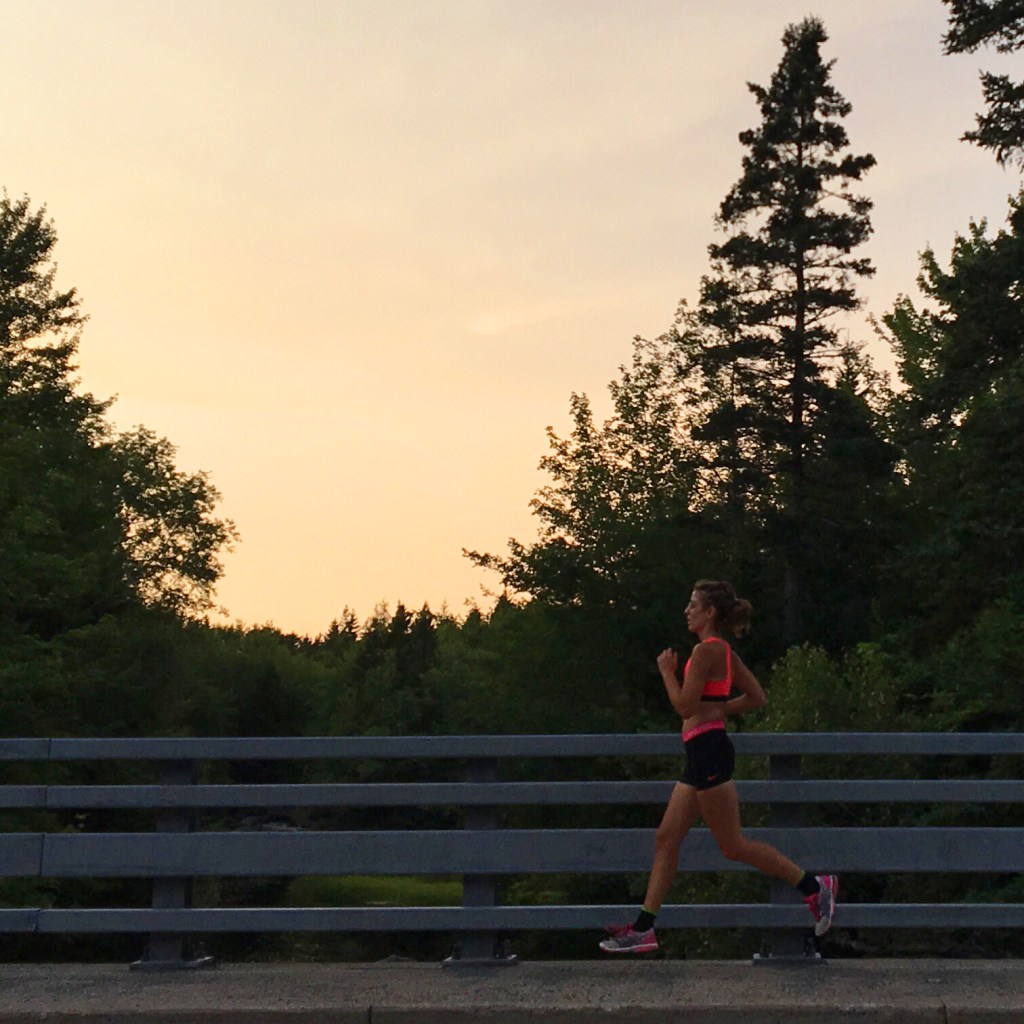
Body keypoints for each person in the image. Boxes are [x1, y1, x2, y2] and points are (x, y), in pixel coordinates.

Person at [599, 579, 837, 954]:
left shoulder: (705, 652)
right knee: (666, 839)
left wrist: (667, 672)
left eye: (693, 605)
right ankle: (644, 929)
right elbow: (757, 697)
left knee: (733, 845)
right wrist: (720, 708)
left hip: (709, 752)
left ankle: (815, 886)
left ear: (709, 613)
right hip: (702, 753)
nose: (687, 611)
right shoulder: (724, 652)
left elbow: (683, 707)